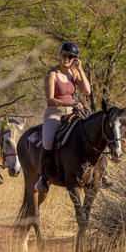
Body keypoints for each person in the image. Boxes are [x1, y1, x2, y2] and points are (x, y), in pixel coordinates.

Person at [36, 41, 91, 192]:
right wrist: (71, 104)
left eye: (71, 57)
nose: (67, 59)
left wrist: (80, 69)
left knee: (90, 134)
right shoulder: (52, 74)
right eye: (65, 55)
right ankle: (44, 177)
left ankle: (97, 173)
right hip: (54, 113)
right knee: (48, 142)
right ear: (60, 55)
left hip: (73, 113)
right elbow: (50, 99)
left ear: (74, 59)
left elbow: (87, 91)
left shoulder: (74, 73)